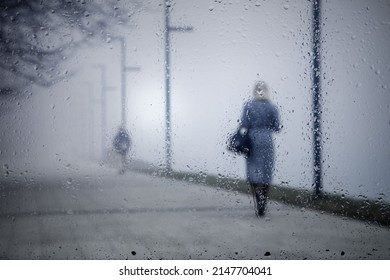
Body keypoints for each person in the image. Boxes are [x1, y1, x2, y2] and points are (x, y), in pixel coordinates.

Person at [240, 81, 281, 216]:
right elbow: (277, 127)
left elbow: (244, 123)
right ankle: (263, 203)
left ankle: (258, 199)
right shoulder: (272, 107)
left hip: (252, 139)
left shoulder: (248, 105)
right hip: (267, 139)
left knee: (253, 171)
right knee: (266, 171)